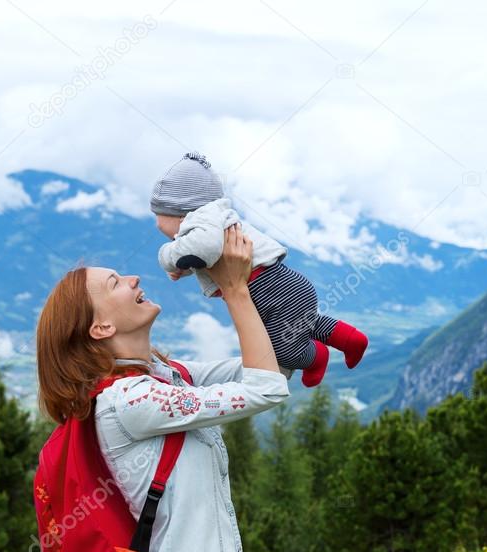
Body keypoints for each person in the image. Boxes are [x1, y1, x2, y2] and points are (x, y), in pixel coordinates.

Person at [35, 225, 290, 552]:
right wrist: (233, 291)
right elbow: (266, 390)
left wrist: (252, 278)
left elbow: (274, 363)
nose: (134, 279)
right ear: (101, 327)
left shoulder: (166, 375)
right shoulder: (131, 401)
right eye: (115, 282)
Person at [151, 151, 369, 387]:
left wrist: (168, 256)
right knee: (302, 323)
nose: (156, 224)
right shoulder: (212, 220)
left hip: (274, 292)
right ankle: (350, 339)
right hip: (284, 287)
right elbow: (205, 254)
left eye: (158, 215)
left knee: (284, 353)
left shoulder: (201, 221)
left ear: (181, 213)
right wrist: (184, 268)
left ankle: (316, 355)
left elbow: (202, 248)